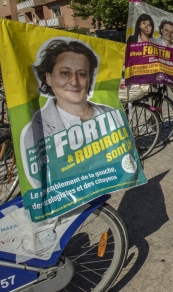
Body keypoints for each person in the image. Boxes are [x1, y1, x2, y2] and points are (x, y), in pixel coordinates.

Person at [22, 40, 114, 186]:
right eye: (65, 73)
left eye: (82, 74)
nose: (74, 81)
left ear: (89, 79)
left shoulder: (111, 114)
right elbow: (39, 181)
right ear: (48, 77)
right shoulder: (36, 129)